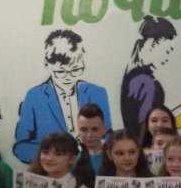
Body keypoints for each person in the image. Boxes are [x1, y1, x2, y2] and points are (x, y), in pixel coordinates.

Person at [13, 29, 112, 163]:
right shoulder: (34, 96)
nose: (69, 77)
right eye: (60, 72)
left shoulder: (97, 93)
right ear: (47, 65)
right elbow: (21, 147)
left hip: (91, 167)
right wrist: (57, 153)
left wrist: (95, 147)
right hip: (52, 171)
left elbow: (108, 135)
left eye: (76, 70)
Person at [120, 15, 176, 134]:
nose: (168, 57)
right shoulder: (147, 82)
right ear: (152, 46)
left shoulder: (133, 75)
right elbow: (145, 128)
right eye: (167, 51)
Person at [76, 103, 108, 174]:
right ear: (78, 130)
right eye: (84, 130)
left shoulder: (115, 156)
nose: (89, 135)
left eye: (95, 129)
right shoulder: (71, 158)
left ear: (104, 130)